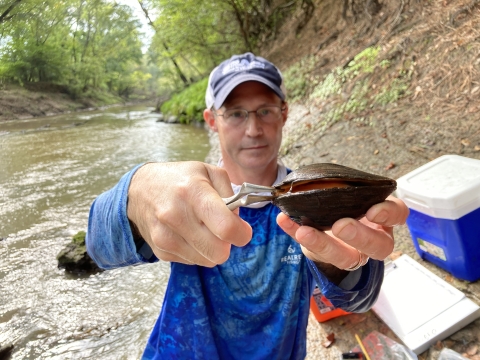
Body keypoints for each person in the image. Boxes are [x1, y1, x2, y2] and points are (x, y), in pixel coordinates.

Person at [86, 52, 409, 359]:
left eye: (265, 110)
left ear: (284, 113)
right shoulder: (185, 194)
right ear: (212, 120)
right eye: (236, 113)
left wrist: (341, 265)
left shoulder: (315, 205)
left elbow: (359, 300)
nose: (253, 129)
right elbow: (99, 249)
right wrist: (135, 194)